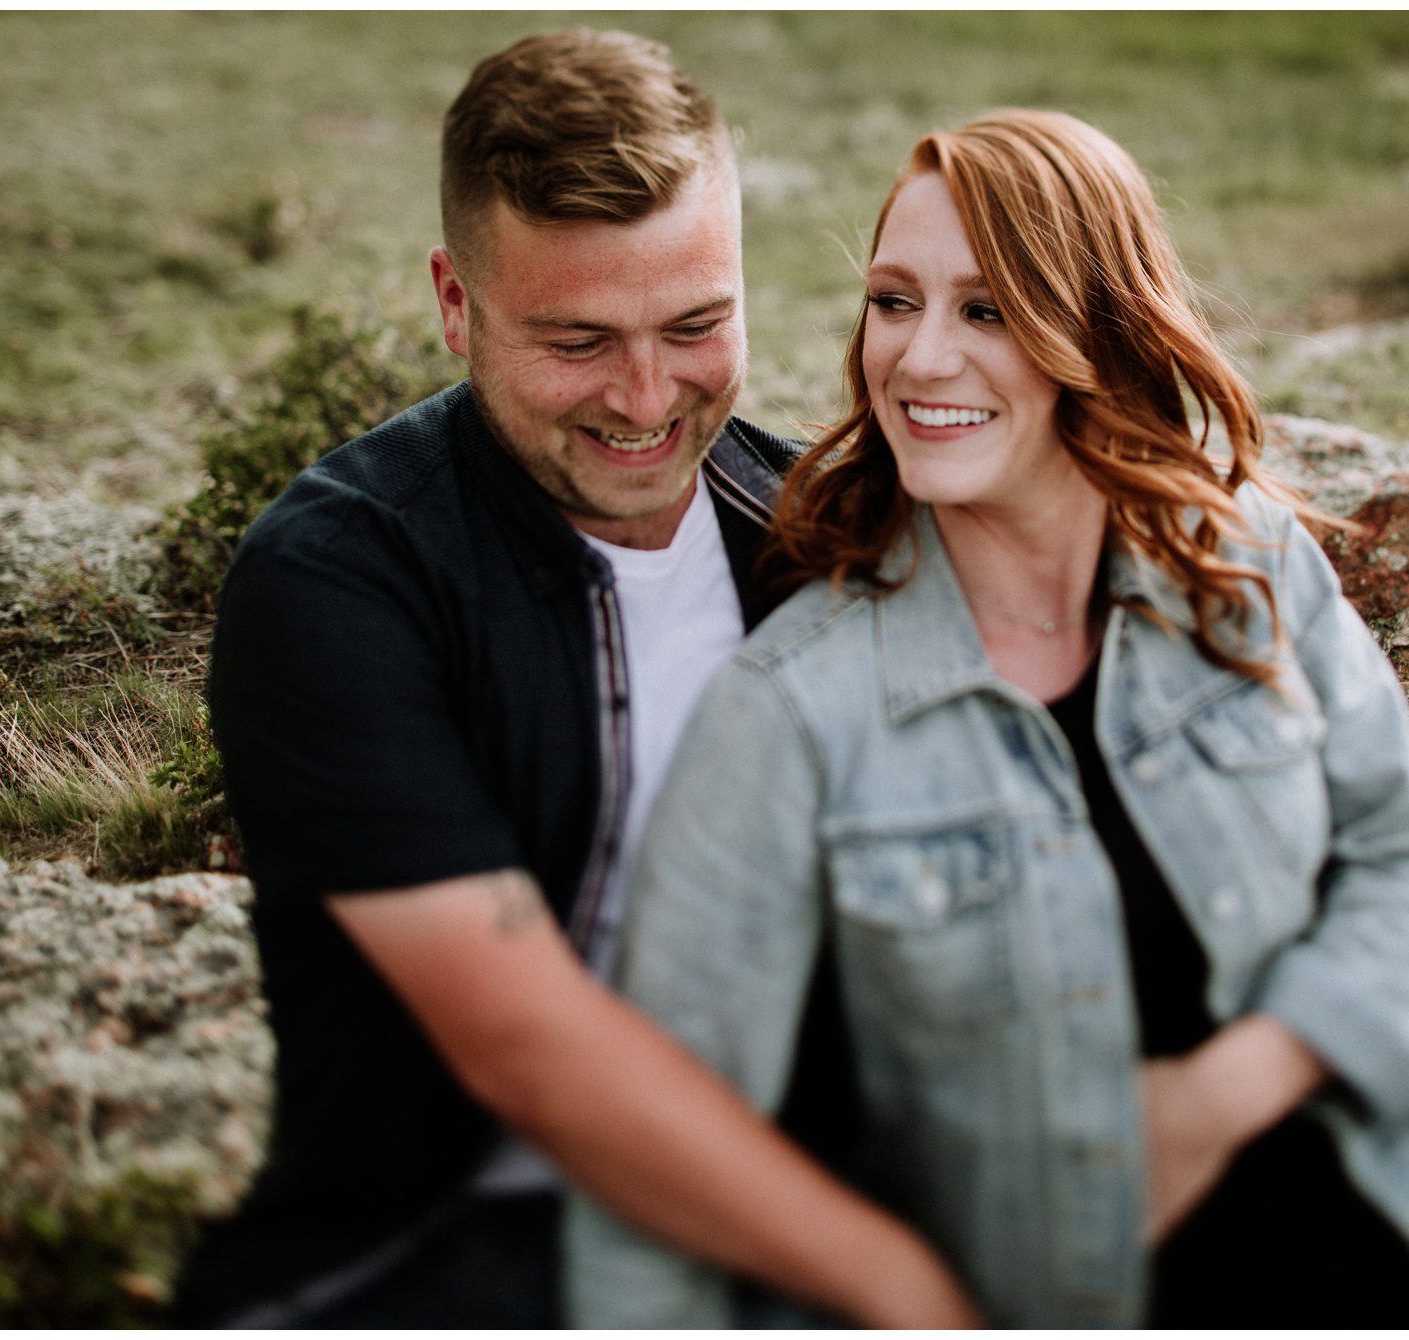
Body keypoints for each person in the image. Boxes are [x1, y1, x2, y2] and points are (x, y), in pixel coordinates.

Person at [567, 109, 1409, 1328]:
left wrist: (1228, 1090)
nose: (917, 357)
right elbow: (670, 1142)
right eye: (894, 301)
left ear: (1101, 332)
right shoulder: (793, 709)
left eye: (986, 310)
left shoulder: (1241, 559)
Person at [169, 29, 981, 1328]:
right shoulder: (339, 578)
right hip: (450, 1254)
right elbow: (525, 1051)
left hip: (805, 1195)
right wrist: (902, 1287)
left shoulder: (821, 528)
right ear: (454, 303)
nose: (646, 398)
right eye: (576, 341)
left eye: (696, 324)